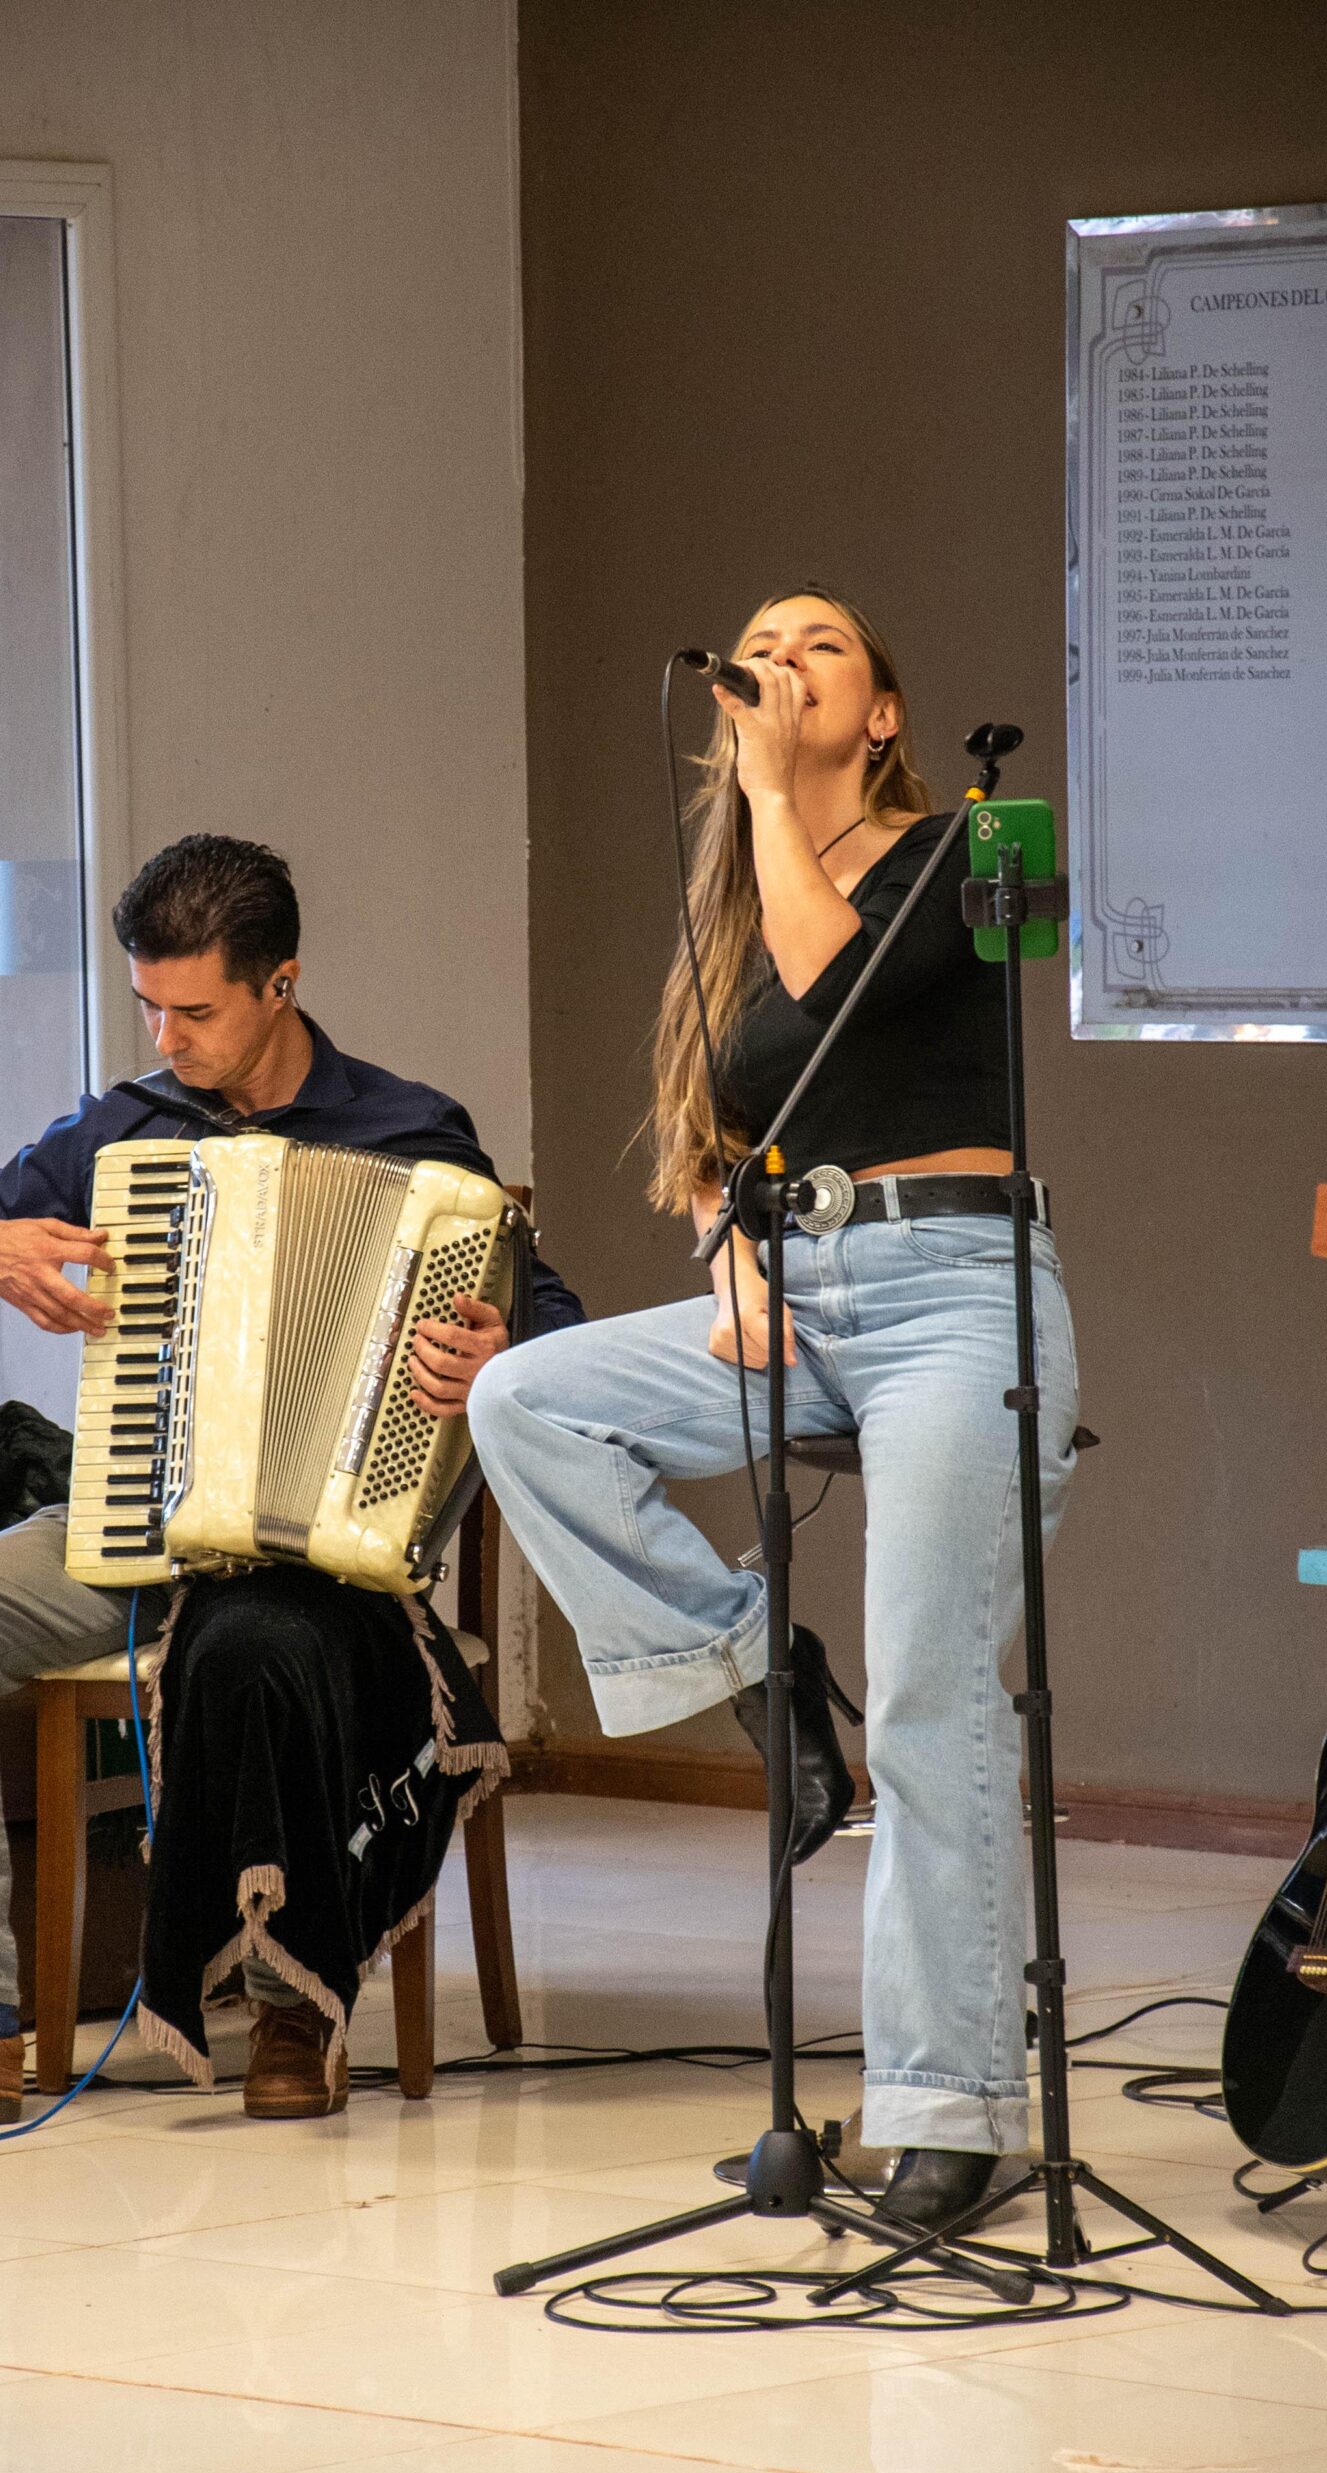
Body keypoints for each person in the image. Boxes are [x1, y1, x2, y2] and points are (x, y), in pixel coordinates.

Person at [0, 833, 582, 2126]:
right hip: (133, 1516)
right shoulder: (125, 1128)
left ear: (281, 983)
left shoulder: (412, 1133)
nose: (167, 1036)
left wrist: (502, 1349)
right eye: (149, 1005)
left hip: (325, 1554)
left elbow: (546, 1318)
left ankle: (291, 1999)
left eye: (194, 1011)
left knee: (258, 1646)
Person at [469, 587, 1079, 2229]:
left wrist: (756, 793)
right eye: (765, 640)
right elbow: (723, 1137)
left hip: (959, 1292)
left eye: (822, 646)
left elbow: (835, 979)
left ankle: (950, 2107)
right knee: (529, 1400)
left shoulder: (950, 851)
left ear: (882, 714)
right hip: (809, 1294)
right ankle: (756, 1667)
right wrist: (732, 1257)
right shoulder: (734, 908)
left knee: (935, 1697)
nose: (781, 661)